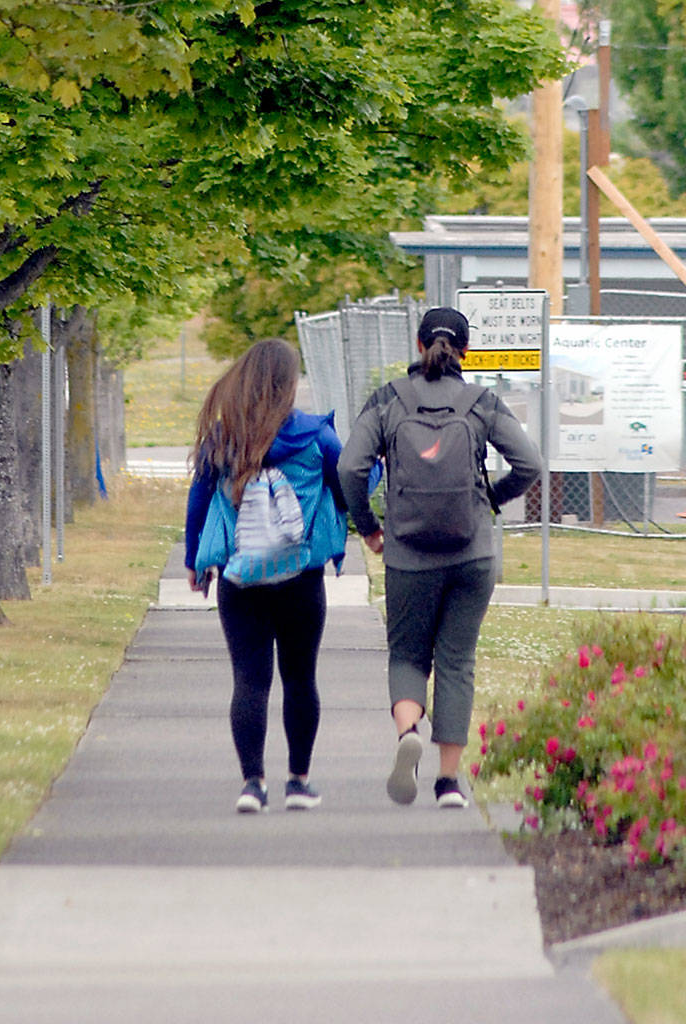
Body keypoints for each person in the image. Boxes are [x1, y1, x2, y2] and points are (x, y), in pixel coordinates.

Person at [338, 305, 541, 809]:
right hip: (471, 552)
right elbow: (531, 463)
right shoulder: (481, 401)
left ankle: (409, 728)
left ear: (418, 343)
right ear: (465, 350)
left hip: (407, 551)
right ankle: (449, 781)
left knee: (408, 654)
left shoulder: (387, 400)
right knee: (456, 660)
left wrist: (368, 526)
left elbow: (349, 467)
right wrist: (491, 497)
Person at [185, 337, 348, 814]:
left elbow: (198, 502)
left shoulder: (223, 437)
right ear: (289, 384)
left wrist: (196, 560)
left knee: (249, 680)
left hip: (240, 579)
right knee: (300, 677)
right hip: (301, 575)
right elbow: (346, 485)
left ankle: (252, 785)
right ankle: (298, 782)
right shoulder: (317, 437)